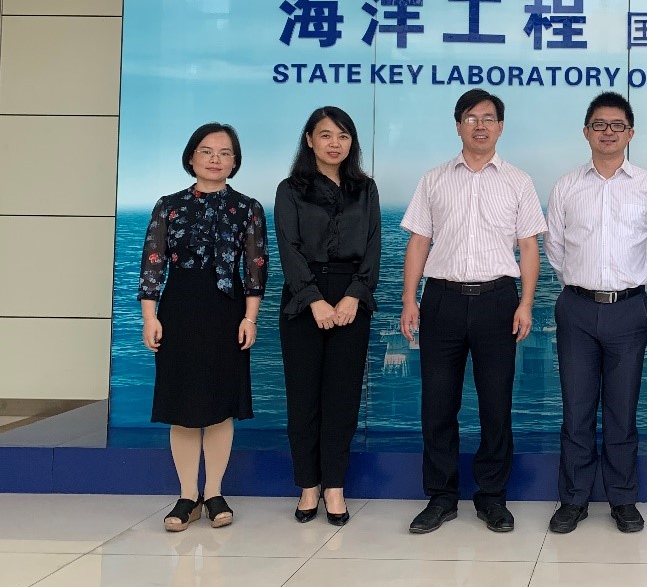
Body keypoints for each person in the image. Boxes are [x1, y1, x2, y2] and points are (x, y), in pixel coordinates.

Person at [400, 88, 546, 534]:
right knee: (437, 404)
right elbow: (419, 241)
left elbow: (528, 247)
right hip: (441, 300)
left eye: (488, 118)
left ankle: (492, 497)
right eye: (470, 118)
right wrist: (409, 299)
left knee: (495, 405)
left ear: (500, 127)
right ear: (458, 125)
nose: (479, 126)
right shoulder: (434, 179)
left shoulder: (518, 181)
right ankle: (441, 497)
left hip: (498, 301)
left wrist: (525, 303)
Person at [544, 92, 647, 534]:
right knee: (576, 409)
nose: (608, 132)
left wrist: (629, 290)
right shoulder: (566, 186)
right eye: (599, 124)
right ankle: (573, 499)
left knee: (622, 409)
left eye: (617, 125)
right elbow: (555, 248)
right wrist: (581, 288)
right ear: (586, 132)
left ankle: (623, 498)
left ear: (630, 133)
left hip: (628, 309)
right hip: (576, 308)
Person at [139, 123, 267, 531]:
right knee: (182, 406)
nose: (215, 159)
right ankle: (186, 496)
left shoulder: (248, 208)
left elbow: (256, 268)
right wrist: (149, 317)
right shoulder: (168, 206)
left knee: (219, 406)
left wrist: (250, 318)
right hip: (178, 310)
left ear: (235, 161)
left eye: (225, 153)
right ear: (191, 157)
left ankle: (213, 492)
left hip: (227, 313)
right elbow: (152, 263)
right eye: (207, 151)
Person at [274, 106, 381, 526]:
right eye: (325, 135)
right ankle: (308, 485)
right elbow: (288, 247)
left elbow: (373, 247)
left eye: (343, 136)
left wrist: (355, 295)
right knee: (303, 399)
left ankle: (334, 486)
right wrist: (313, 300)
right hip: (304, 301)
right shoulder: (290, 189)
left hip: (352, 298)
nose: (335, 144)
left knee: (342, 398)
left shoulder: (365, 189)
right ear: (309, 140)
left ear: (352, 142)